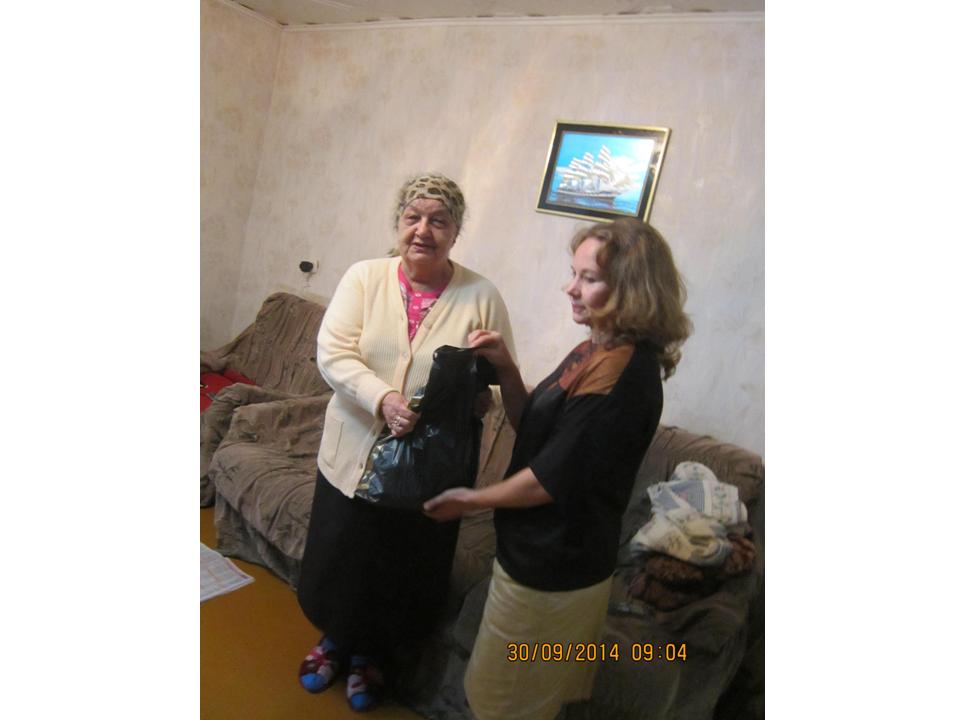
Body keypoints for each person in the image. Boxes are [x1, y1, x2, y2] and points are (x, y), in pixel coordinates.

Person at [423, 218, 691, 720]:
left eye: (589, 278)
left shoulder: (624, 376)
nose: (570, 287)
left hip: (554, 569)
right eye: (574, 273)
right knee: (516, 695)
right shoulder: (596, 347)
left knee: (506, 703)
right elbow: (533, 428)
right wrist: (506, 367)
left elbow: (551, 480)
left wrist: (472, 499)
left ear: (631, 290)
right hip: (532, 555)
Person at [295, 173, 515, 713]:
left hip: (429, 468)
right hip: (353, 452)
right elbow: (334, 353)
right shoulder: (364, 277)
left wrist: (474, 393)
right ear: (397, 223)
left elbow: (493, 370)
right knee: (343, 554)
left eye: (439, 220)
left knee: (402, 566)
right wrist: (384, 398)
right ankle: (334, 641)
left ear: (456, 231)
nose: (423, 230)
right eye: (413, 217)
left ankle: (372, 656)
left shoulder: (481, 294)